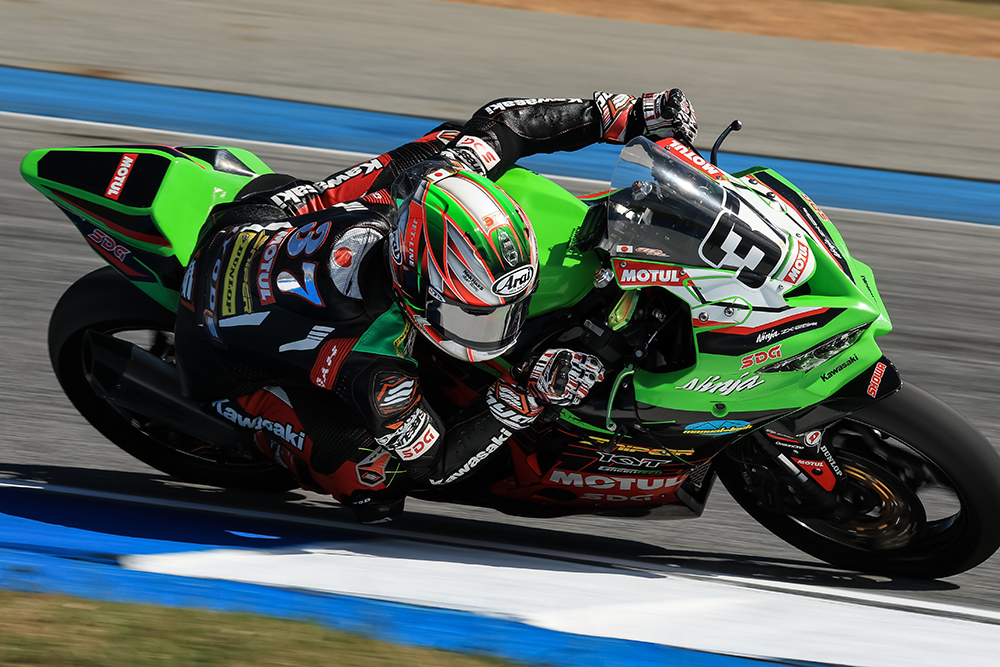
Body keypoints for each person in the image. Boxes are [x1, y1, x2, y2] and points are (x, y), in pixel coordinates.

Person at [173, 89, 698, 522]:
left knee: (428, 149)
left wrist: (629, 113)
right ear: (415, 286)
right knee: (374, 483)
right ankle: (251, 423)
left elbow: (506, 122)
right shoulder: (376, 364)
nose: (498, 327)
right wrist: (525, 393)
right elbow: (437, 465)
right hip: (219, 350)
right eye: (473, 314)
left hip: (258, 218)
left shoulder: (438, 174)